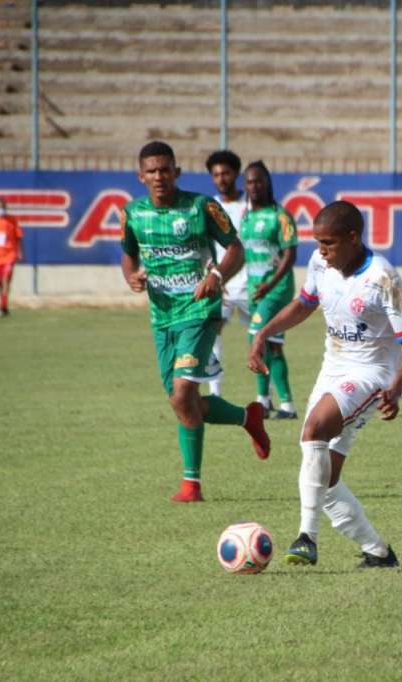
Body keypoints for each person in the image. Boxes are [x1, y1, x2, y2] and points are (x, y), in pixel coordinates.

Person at [248, 200, 402, 568]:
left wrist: (395, 388)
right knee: (324, 477)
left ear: (353, 238)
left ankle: (306, 537)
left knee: (312, 430)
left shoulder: (382, 276)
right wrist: (265, 332)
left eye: (328, 243)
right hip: (333, 368)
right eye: (318, 242)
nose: (321, 251)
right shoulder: (319, 263)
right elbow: (304, 304)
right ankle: (378, 552)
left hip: (372, 374)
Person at [120, 140, 270, 503]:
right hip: (162, 317)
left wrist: (216, 275)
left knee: (184, 392)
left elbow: (236, 248)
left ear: (177, 172)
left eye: (165, 169)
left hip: (200, 312)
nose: (159, 176)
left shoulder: (202, 207)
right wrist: (131, 276)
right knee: (180, 401)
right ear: (141, 176)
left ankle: (191, 486)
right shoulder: (132, 213)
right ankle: (246, 417)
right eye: (152, 171)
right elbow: (128, 255)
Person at [239, 160, 299, 419]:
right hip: (255, 290)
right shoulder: (246, 217)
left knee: (257, 337)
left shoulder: (281, 216)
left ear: (268, 183)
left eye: (259, 180)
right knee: (271, 345)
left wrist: (270, 284)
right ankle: (270, 402)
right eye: (250, 181)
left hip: (276, 290)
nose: (254, 186)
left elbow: (290, 254)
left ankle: (282, 403)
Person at [204, 149, 250, 398]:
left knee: (263, 338)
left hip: (250, 284)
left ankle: (265, 398)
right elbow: (207, 247)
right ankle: (215, 392)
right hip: (221, 283)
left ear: (236, 174)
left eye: (226, 173)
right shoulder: (210, 207)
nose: (221, 178)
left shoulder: (250, 206)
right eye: (216, 174)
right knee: (213, 332)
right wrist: (214, 275)